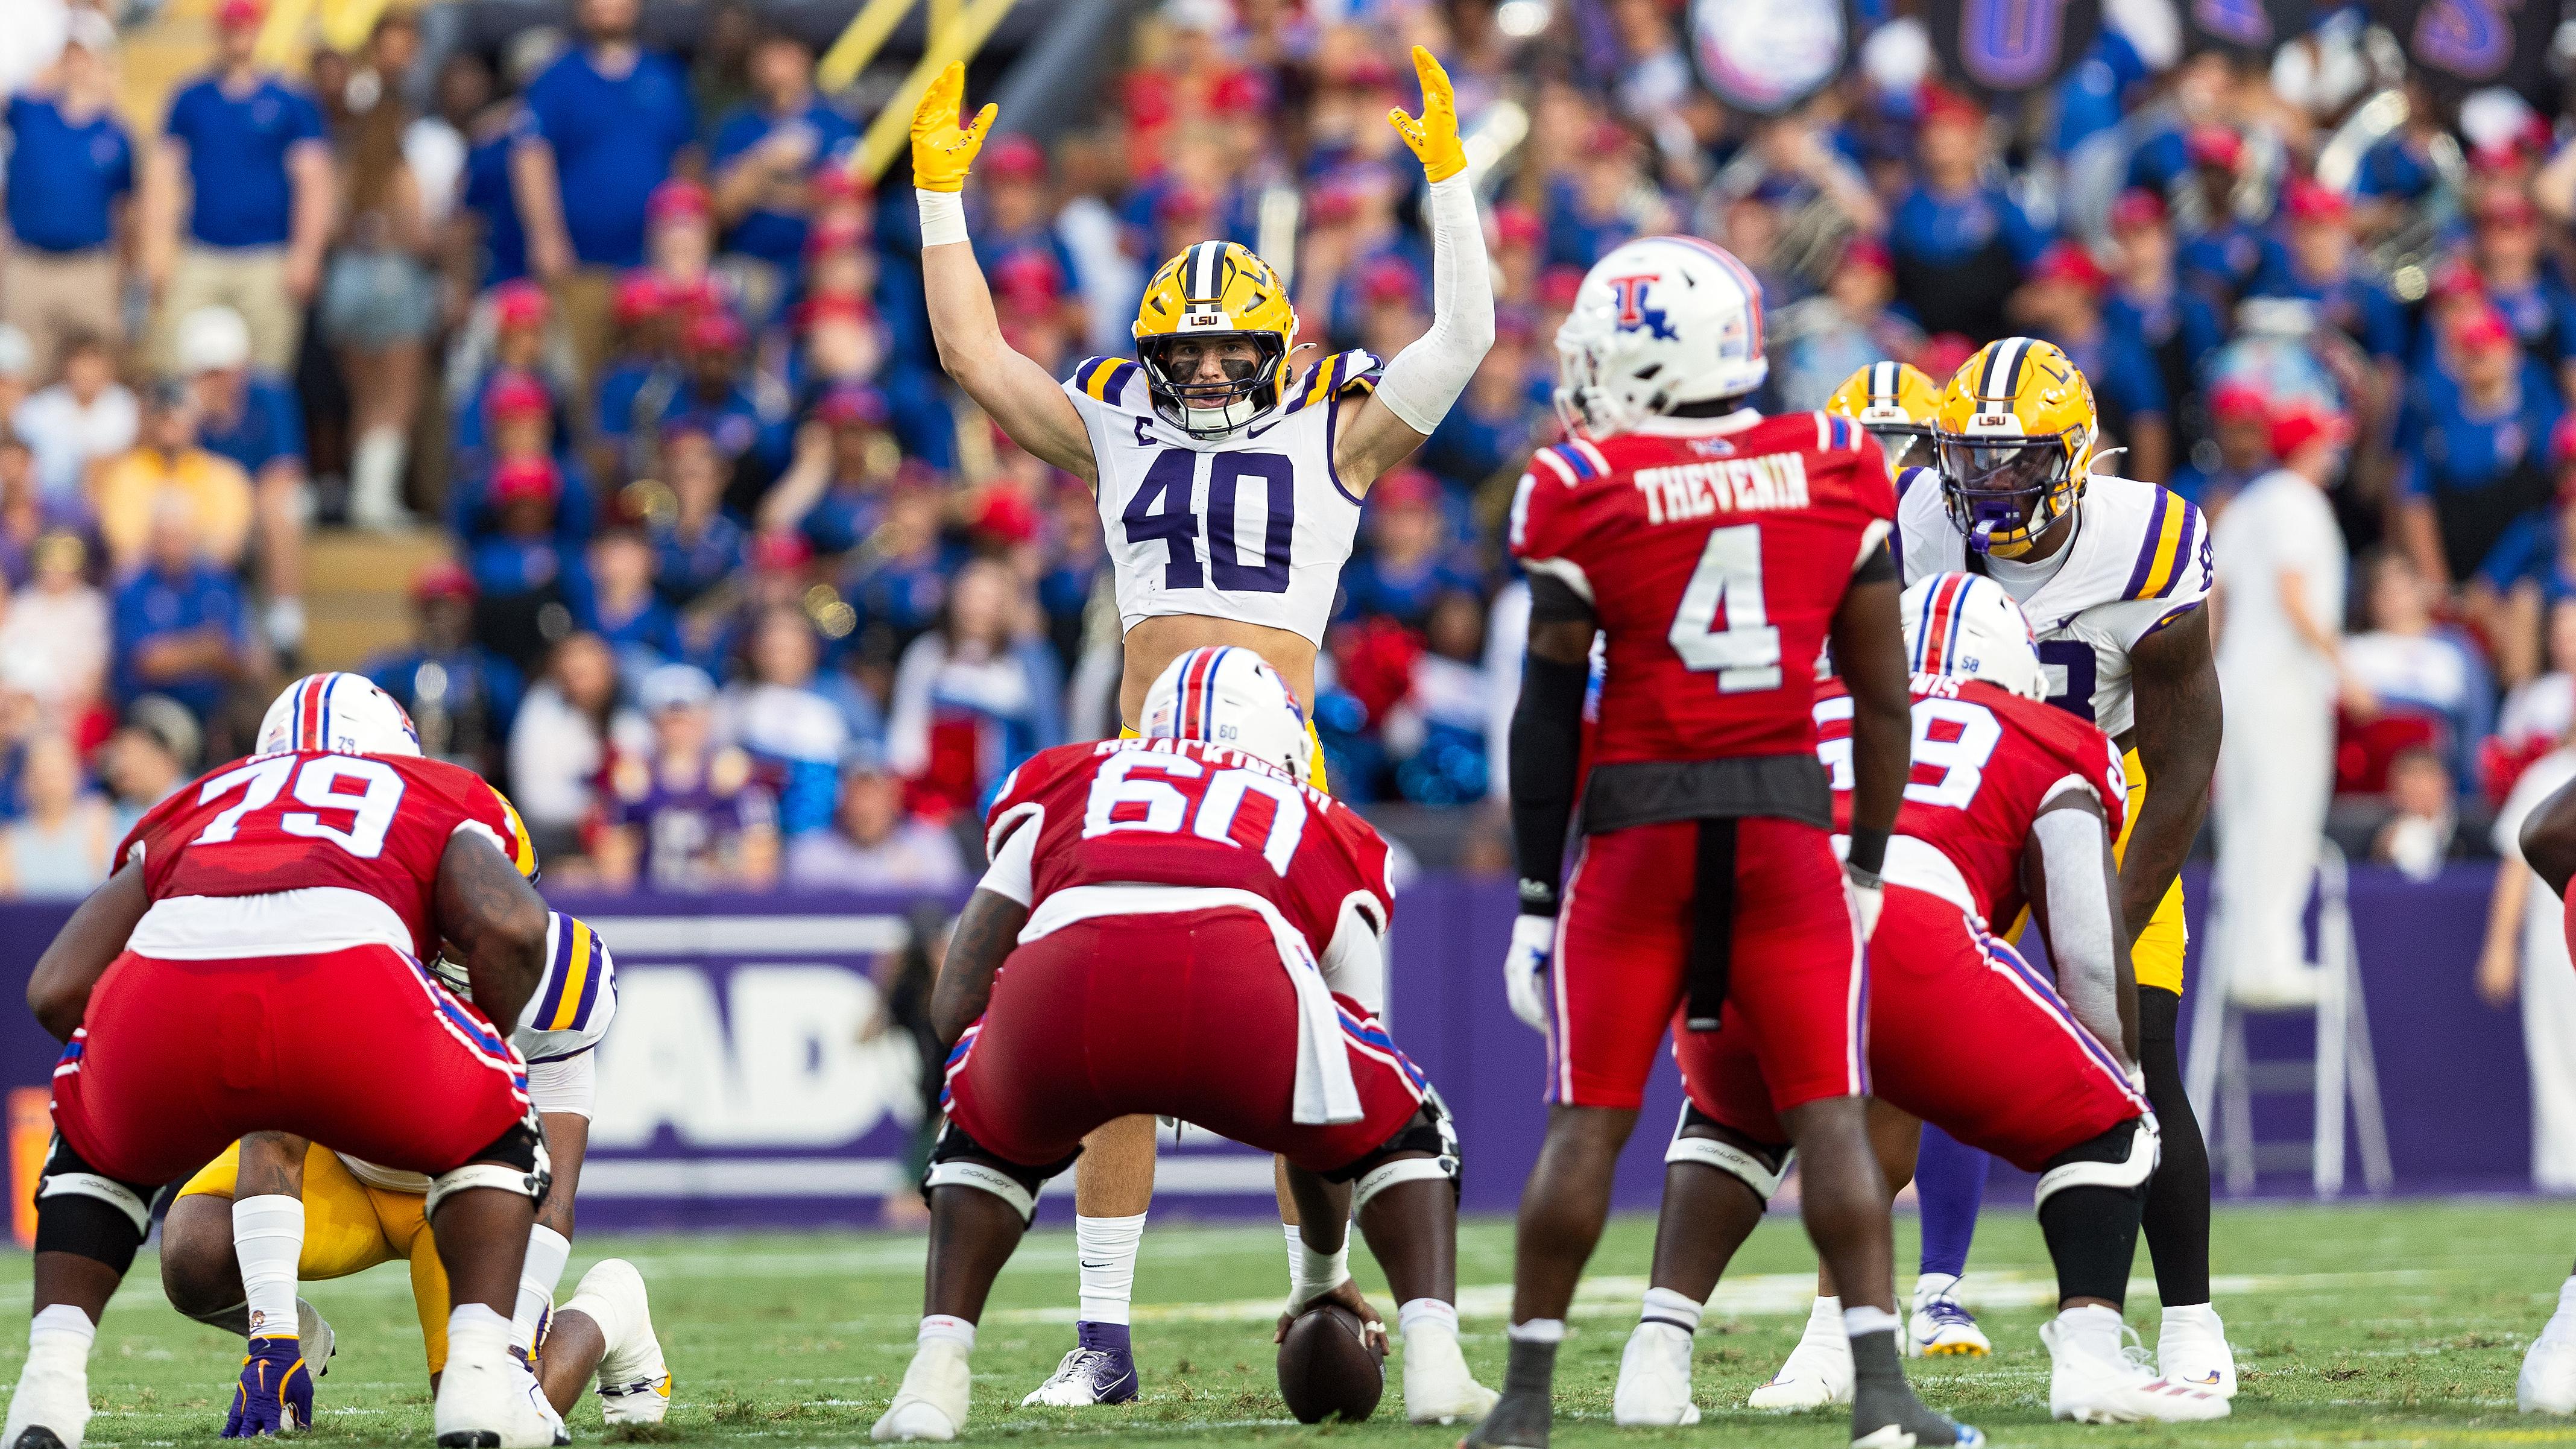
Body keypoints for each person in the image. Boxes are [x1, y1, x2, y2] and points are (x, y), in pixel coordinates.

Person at [910, 48, 1493, 1404]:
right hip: (1142, 762)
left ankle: (1317, 1282)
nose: (1219, 373)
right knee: (1114, 1033)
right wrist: (944, 199)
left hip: (1275, 767)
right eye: (1194, 354)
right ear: (1155, 358)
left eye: (1239, 350)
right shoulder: (1117, 426)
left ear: (1278, 344)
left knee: (1331, 1043)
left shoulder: (1333, 434)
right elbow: (972, 354)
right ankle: (1102, 1336)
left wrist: (1450, 184)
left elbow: (1460, 341)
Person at [1473, 237, 1965, 1449]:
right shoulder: (1838, 460)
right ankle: (1882, 1395)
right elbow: (1884, 694)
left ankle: (1525, 1403)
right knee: (1832, 1115)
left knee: (1588, 1121)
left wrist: (1539, 893)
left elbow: (1547, 713)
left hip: (1641, 829)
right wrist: (1865, 860)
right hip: (1785, 826)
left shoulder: (1580, 483)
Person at [1614, 573, 2225, 1427]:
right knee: (2117, 1115)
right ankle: (2088, 1355)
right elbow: (2088, 950)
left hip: (1734, 930)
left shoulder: (1806, 703)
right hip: (1903, 920)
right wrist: (2111, 1066)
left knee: (1728, 1116)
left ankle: (1657, 1354)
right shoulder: (2047, 735)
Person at [868, 649, 1495, 1440]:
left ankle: (934, 1374)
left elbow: (954, 997)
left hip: (1064, 987)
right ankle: (1435, 1355)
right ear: (1283, 739)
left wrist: (1014, 1106)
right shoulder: (1321, 818)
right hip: (1234, 978)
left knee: (975, 1131)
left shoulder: (1068, 775)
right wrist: (1320, 1281)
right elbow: (1334, 1110)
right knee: (1410, 1126)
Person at [5, 674, 560, 1449]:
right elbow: (518, 927)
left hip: (171, 984)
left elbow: (56, 989)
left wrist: (130, 1081)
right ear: (398, 750)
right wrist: (475, 1063)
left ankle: (47, 1394)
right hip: (350, 993)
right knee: (503, 1129)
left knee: (91, 1149)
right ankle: (474, 1395)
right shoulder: (430, 789)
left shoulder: (205, 795)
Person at [1885, 338, 2231, 1387]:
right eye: (1969, 459)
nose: (1986, 486)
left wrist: (2114, 917)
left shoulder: (2149, 539)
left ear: (2076, 456)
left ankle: (2187, 1327)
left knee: (2139, 1049)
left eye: (2016, 460)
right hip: (1971, 804)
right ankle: (1840, 1330)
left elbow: (2184, 756)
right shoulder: (1916, 520)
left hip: (2103, 794)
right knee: (1896, 1050)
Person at [158, 910, 670, 1430]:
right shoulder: (348, 942)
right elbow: (274, 1141)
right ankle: (304, 1342)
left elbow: (553, 1197)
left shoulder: (562, 979)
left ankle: (613, 1307)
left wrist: (509, 1357)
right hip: (341, 1162)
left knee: (488, 1415)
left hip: (466, 1198)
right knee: (196, 1252)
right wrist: (275, 1336)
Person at [2210, 404, 2353, 1008]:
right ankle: (2271, 959)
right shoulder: (2298, 502)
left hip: (2236, 685)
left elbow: (2212, 599)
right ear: (2309, 449)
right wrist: (2347, 672)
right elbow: (2295, 597)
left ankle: (2241, 956)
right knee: (2284, 818)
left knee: (2244, 821)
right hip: (2284, 687)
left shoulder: (2245, 506)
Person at [146, 0, 336, 375]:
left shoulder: (290, 101)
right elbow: (163, 178)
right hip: (201, 251)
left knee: (267, 371)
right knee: (176, 365)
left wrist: (307, 255)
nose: (239, 34)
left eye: (246, 25)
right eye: (232, 26)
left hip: (268, 257)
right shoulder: (191, 98)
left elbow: (314, 183)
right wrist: (157, 250)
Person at [1, 10, 133, 377]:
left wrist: (121, 274)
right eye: (70, 54)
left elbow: (125, 211)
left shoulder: (115, 132)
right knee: (21, 373)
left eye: (85, 55)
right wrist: (45, 73)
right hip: (30, 264)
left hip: (90, 267)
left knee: (93, 375)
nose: (77, 64)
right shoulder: (31, 112)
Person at [782, 750, 966, 892]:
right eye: (858, 795)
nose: (865, 808)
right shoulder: (812, 855)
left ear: (894, 798)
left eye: (874, 795)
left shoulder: (930, 847)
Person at [0, 734, 115, 899]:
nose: (50, 784)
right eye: (41, 774)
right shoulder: (8, 840)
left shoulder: (99, 823)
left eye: (57, 773)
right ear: (25, 782)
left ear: (76, 775)